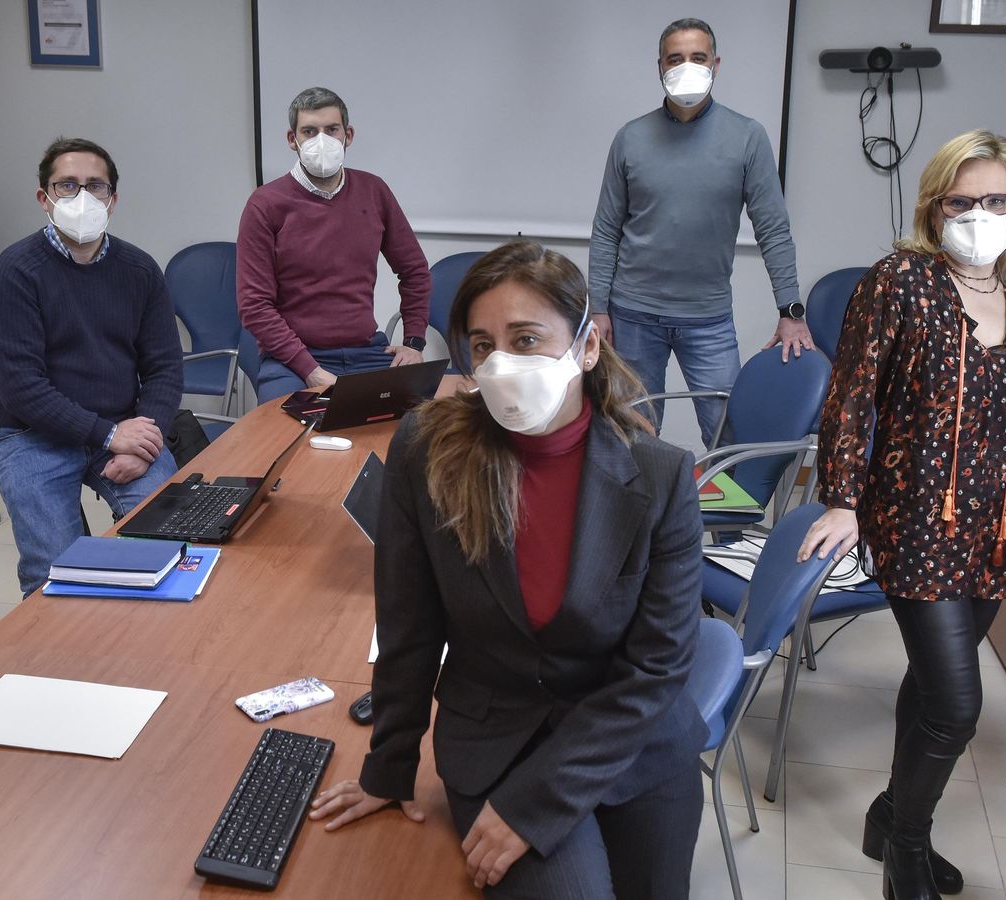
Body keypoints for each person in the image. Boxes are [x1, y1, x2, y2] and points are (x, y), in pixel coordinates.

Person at [311, 240, 706, 898]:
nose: (502, 363)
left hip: (632, 744)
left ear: (587, 346)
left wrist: (541, 801)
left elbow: (658, 666)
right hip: (496, 742)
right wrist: (390, 766)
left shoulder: (660, 475)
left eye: (526, 339)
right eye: (483, 345)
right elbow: (409, 623)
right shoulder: (428, 449)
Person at [798, 130, 1006, 900]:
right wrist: (842, 500)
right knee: (956, 706)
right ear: (934, 207)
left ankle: (888, 815)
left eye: (996, 200)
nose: (979, 214)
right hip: (917, 524)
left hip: (998, 531)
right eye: (961, 201)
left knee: (930, 681)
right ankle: (906, 848)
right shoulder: (899, 283)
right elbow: (849, 398)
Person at [588, 17, 811, 448]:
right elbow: (606, 231)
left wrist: (791, 311)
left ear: (715, 65)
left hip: (708, 319)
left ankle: (718, 500)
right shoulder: (630, 138)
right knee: (631, 437)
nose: (686, 66)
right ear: (660, 67)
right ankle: (646, 497)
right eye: (675, 59)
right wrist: (598, 308)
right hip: (632, 315)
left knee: (727, 438)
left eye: (697, 57)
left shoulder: (747, 137)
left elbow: (773, 230)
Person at [0, 137, 183, 596]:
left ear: (112, 199)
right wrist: (110, 436)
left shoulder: (139, 270)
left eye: (95, 186)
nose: (83, 197)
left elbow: (165, 368)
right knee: (55, 573)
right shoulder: (16, 271)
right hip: (32, 433)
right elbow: (21, 387)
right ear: (44, 198)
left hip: (122, 426)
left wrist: (142, 441)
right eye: (67, 185)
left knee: (175, 540)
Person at [237, 86, 433, 403]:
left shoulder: (374, 191)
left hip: (367, 351)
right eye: (309, 131)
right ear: (292, 139)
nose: (322, 140)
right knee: (286, 428)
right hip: (294, 360)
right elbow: (254, 305)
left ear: (347, 135)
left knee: (421, 423)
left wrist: (413, 342)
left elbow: (414, 271)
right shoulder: (265, 205)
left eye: (331, 130)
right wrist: (311, 371)